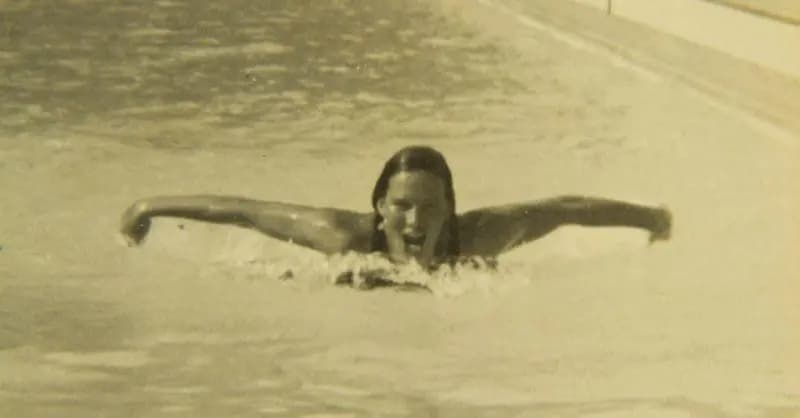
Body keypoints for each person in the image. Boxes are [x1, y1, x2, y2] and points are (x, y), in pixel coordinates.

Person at [120, 145, 672, 271]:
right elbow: (241, 209)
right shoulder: (342, 238)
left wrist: (651, 218)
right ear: (381, 208)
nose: (415, 221)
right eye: (403, 206)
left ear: (451, 211)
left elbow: (566, 207)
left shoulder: (475, 239)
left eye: (431, 209)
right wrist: (149, 205)